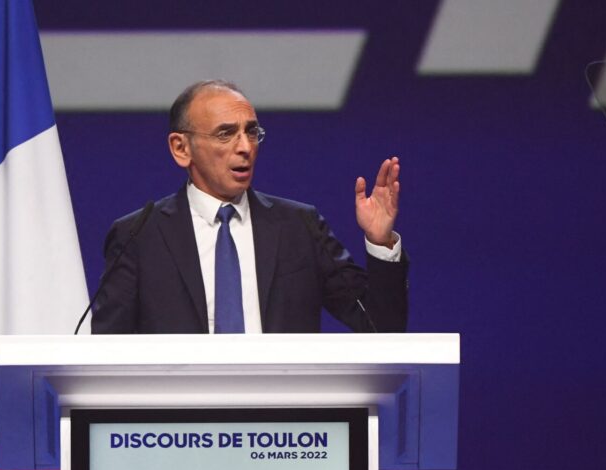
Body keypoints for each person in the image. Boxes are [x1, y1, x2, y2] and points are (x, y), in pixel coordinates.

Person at [90, 79, 410, 334]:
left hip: (283, 398)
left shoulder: (300, 226)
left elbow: (381, 327)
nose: (245, 147)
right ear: (181, 148)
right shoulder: (139, 236)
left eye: (252, 132)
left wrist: (380, 242)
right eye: (225, 134)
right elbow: (105, 352)